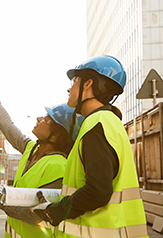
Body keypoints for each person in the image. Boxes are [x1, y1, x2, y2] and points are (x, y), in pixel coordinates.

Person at [33, 55, 148, 238]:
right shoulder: (110, 122)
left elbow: (98, 191)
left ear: (88, 84)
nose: (69, 88)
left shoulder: (96, 125)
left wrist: (56, 211)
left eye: (74, 80)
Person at [0, 71, 83, 238]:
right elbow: (7, 126)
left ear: (58, 134)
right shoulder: (31, 149)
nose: (38, 119)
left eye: (46, 119)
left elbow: (37, 213)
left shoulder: (59, 166)